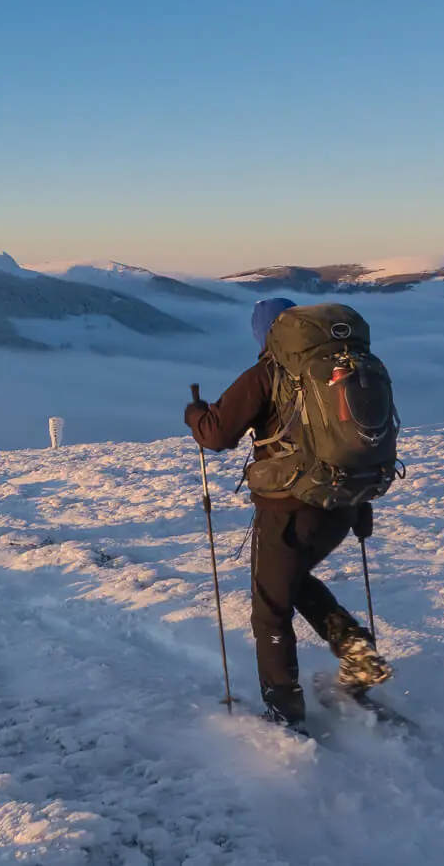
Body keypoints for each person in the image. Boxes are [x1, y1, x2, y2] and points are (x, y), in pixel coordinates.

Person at [184, 298, 392, 730]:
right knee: (291, 580)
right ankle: (354, 648)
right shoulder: (345, 367)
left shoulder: (268, 373)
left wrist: (195, 414)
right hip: (345, 503)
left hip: (291, 505)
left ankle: (284, 708)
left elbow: (217, 435)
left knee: (270, 606)